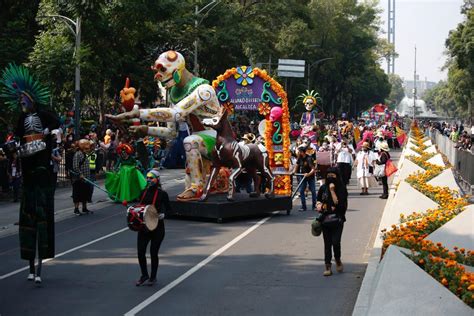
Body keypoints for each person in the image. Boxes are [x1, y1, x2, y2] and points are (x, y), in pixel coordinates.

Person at [0, 63, 59, 284]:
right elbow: (14, 139)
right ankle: (31, 267)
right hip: (28, 173)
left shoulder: (44, 115)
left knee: (43, 220)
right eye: (19, 102)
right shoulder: (20, 120)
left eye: (23, 101)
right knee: (28, 222)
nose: (21, 104)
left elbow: (57, 124)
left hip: (42, 171)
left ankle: (40, 268)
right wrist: (10, 148)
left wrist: (47, 133)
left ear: (30, 100)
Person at [135, 169, 169, 286]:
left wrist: (163, 214)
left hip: (157, 228)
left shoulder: (162, 194)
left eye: (151, 178)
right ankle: (144, 275)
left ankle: (153, 277)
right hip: (144, 227)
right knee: (140, 252)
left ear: (157, 179)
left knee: (153, 253)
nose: (149, 180)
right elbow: (140, 207)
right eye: (147, 178)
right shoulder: (143, 192)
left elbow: (169, 209)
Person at [316, 167, 348, 276]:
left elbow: (341, 205)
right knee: (327, 243)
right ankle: (328, 266)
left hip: (338, 219)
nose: (330, 177)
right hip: (325, 220)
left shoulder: (341, 188)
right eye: (328, 175)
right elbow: (319, 199)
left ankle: (338, 260)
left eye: (332, 175)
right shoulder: (323, 188)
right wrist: (319, 205)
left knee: (336, 242)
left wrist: (332, 190)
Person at [71, 139, 93, 215]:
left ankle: (84, 208)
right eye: (86, 148)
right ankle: (76, 209)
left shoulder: (85, 154)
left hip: (86, 178)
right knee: (77, 194)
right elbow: (75, 166)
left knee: (85, 193)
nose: (88, 149)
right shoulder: (78, 154)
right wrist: (80, 174)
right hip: (79, 179)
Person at [293, 144, 316, 212]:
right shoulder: (299, 158)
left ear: (303, 152)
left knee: (313, 191)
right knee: (301, 191)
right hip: (302, 176)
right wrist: (294, 172)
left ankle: (314, 205)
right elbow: (297, 166)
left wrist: (308, 174)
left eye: (299, 152)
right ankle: (303, 206)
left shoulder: (309, 158)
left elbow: (313, 169)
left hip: (310, 176)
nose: (298, 153)